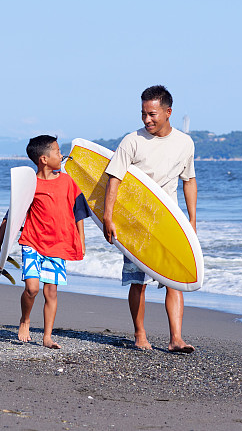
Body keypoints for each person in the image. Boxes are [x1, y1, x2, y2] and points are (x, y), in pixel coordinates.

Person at [103, 85, 197, 353]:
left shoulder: (185, 143)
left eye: (152, 114)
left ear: (168, 112)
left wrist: (191, 221)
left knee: (174, 279)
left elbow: (189, 181)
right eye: (144, 114)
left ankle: (176, 338)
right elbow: (114, 180)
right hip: (136, 222)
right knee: (137, 281)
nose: (147, 120)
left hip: (169, 220)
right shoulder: (131, 141)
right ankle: (140, 334)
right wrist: (108, 217)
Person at [0, 135, 91, 348]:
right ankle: (25, 319)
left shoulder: (68, 182)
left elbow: (79, 212)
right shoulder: (29, 185)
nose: (61, 155)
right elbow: (11, 217)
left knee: (52, 291)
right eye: (57, 152)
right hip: (32, 241)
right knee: (32, 288)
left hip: (58, 244)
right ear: (44, 159)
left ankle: (47, 336)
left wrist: (81, 239)